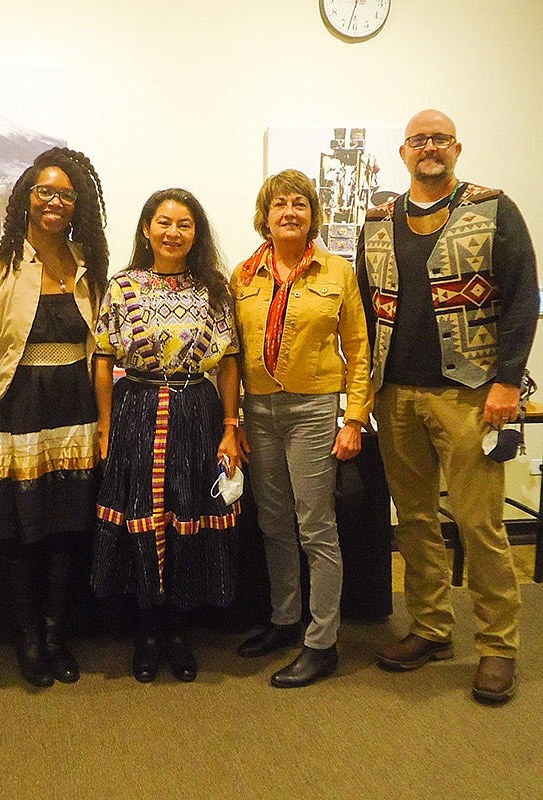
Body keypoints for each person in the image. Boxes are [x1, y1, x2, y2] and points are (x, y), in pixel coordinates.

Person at [356, 109, 538, 704]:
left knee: (479, 522)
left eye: (439, 139)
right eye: (418, 140)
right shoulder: (379, 219)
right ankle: (432, 627)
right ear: (403, 152)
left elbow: (520, 301)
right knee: (412, 520)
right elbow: (363, 305)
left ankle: (497, 647)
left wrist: (508, 383)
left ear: (455, 147)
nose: (428, 147)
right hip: (395, 394)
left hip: (469, 394)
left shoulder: (493, 209)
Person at [0, 147, 108, 688]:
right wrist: (4, 384)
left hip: (74, 406)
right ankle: (27, 638)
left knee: (66, 526)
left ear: (79, 205)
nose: (54, 202)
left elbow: (99, 346)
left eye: (66, 194)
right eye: (44, 191)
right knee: (22, 529)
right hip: (16, 405)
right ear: (27, 198)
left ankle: (55, 635)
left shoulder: (87, 265)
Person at [91, 188, 241, 683]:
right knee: (143, 513)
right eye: (163, 222)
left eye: (184, 224)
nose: (173, 233)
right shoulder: (122, 287)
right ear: (146, 229)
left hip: (196, 410)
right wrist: (106, 428)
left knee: (186, 512)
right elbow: (103, 358)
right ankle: (147, 630)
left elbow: (230, 362)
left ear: (195, 233)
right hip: (136, 407)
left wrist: (229, 427)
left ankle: (178, 629)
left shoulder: (214, 289)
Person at [231, 169, 373, 688]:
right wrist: (234, 417)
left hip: (314, 410)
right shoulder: (243, 277)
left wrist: (354, 417)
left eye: (299, 204)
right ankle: (285, 619)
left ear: (313, 214)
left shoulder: (337, 273)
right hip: (260, 412)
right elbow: (232, 354)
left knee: (316, 526)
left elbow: (359, 349)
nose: (289, 212)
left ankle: (322, 642)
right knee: (272, 521)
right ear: (264, 216)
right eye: (279, 204)